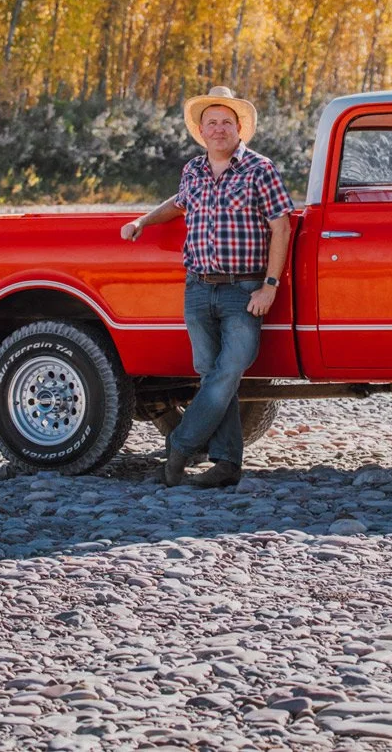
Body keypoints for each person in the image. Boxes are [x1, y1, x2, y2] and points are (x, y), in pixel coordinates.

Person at [120, 86, 294, 488]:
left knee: (229, 370)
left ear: (239, 128)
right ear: (201, 130)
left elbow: (280, 226)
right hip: (198, 288)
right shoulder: (193, 171)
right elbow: (178, 203)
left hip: (243, 290)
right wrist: (143, 222)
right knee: (213, 376)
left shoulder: (259, 169)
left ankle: (179, 449)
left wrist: (269, 286)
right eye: (211, 123)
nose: (218, 129)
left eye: (226, 122)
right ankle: (227, 465)